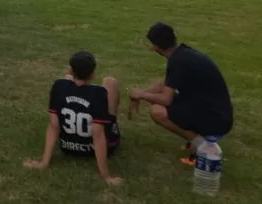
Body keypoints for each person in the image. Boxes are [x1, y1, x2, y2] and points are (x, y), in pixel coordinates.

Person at [130, 23, 233, 165]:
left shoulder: (177, 61)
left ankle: (204, 147)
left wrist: (142, 95)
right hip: (218, 112)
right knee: (158, 100)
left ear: (156, 47)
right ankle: (198, 140)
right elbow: (164, 84)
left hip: (216, 119)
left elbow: (166, 100)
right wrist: (143, 93)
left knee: (158, 111)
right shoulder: (183, 53)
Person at [23, 51, 123, 186]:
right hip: (95, 148)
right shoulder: (100, 93)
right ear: (93, 75)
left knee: (66, 82)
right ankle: (112, 126)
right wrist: (106, 176)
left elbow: (53, 126)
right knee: (110, 82)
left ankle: (46, 161)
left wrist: (44, 162)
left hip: (67, 147)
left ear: (70, 70)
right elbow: (98, 135)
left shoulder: (58, 85)